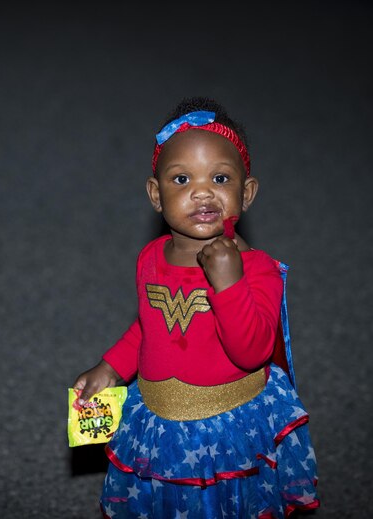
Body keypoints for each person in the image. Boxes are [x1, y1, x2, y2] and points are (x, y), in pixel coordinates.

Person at [72, 97, 320, 518]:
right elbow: (149, 329)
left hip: (223, 429)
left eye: (220, 178)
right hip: (159, 420)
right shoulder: (150, 257)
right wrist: (111, 366)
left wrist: (229, 283)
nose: (202, 192)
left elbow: (252, 351)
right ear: (156, 195)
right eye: (182, 178)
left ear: (247, 192)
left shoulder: (260, 271)